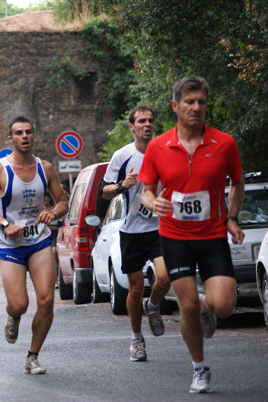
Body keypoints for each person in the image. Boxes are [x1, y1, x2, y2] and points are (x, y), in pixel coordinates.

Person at [138, 77, 244, 394]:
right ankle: (199, 368)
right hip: (174, 236)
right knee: (185, 306)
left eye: (201, 102)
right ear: (176, 106)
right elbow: (145, 190)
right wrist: (152, 201)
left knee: (224, 305)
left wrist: (233, 217)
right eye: (189, 102)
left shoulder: (224, 143)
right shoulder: (158, 147)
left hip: (212, 236)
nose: (196, 107)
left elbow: (237, 181)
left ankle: (206, 305)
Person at [0, 116, 67, 375]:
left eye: (28, 132)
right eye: (19, 133)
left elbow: (62, 202)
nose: (25, 136)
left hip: (38, 240)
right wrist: (5, 223)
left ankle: (33, 356)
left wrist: (53, 213)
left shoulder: (45, 168)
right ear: (11, 138)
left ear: (33, 135)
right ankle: (13, 315)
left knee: (47, 299)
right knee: (19, 304)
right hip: (9, 244)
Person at [101, 105, 171, 362]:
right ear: (132, 127)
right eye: (142, 121)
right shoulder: (122, 156)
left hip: (158, 228)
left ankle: (152, 306)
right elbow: (103, 190)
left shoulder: (164, 150)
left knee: (164, 278)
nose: (147, 124)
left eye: (151, 120)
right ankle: (136, 339)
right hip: (131, 230)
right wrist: (122, 185)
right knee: (134, 289)